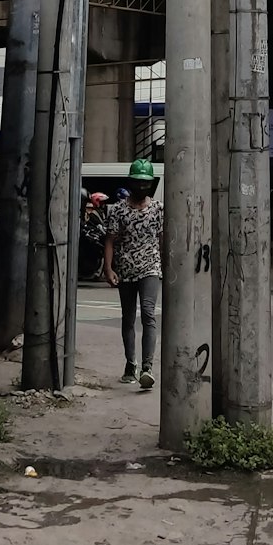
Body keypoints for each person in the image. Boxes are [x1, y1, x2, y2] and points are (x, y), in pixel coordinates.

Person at [103, 158, 163, 389]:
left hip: (150, 268)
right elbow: (110, 240)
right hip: (125, 270)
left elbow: (162, 239)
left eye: (146, 183)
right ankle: (131, 363)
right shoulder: (117, 210)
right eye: (137, 182)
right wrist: (108, 268)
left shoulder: (158, 209)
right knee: (128, 318)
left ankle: (147, 367)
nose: (141, 187)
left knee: (148, 314)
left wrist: (165, 268)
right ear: (130, 182)